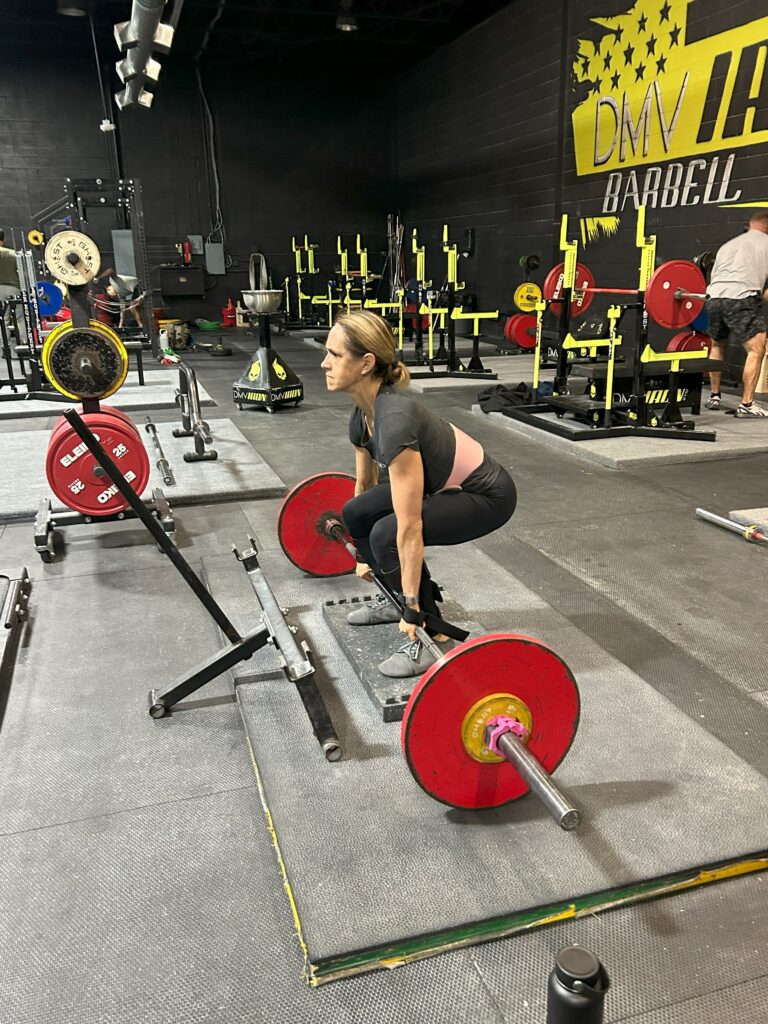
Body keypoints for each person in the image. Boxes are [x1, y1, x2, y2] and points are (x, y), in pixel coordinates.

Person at [321, 309, 517, 678]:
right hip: (442, 484)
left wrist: (414, 604)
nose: (324, 363)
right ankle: (393, 600)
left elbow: (409, 526)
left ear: (366, 363)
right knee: (356, 513)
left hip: (487, 495)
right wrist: (363, 556)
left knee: (388, 535)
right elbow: (364, 489)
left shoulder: (394, 419)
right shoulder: (362, 415)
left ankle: (435, 633)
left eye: (334, 354)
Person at [704, 211, 768, 417]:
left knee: (717, 344)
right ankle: (747, 404)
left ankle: (714, 396)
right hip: (740, 298)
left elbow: (715, 277)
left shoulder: (728, 245)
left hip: (713, 298)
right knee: (757, 347)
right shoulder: (766, 243)